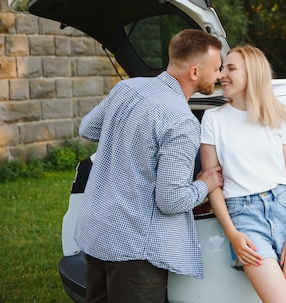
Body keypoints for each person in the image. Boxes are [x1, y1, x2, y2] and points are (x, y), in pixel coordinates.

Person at [75, 29, 224, 303]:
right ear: (194, 72)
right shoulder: (182, 121)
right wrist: (206, 183)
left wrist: (124, 135)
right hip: (135, 247)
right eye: (216, 69)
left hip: (98, 230)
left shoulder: (126, 88)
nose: (219, 76)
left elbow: (88, 128)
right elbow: (171, 200)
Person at [200, 45, 286, 303]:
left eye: (231, 68)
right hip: (245, 218)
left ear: (253, 74)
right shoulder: (213, 119)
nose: (221, 74)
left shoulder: (281, 116)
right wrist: (233, 235)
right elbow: (212, 184)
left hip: (285, 213)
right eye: (222, 68)